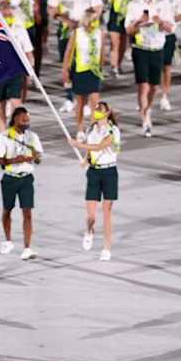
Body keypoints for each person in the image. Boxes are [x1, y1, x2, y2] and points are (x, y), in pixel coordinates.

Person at [47, 0, 102, 112]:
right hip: (66, 30)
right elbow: (51, 8)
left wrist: (87, 22)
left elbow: (97, 7)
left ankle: (83, 101)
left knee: (83, 64)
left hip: (85, 32)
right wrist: (62, 18)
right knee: (67, 63)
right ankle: (69, 98)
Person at [68, 100, 120, 261]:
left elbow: (99, 146)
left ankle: (106, 248)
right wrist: (86, 160)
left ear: (107, 113)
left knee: (106, 212)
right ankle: (89, 232)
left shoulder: (113, 130)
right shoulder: (91, 129)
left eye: (100, 109)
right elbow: (91, 149)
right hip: (94, 172)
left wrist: (78, 144)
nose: (96, 110)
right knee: (90, 215)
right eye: (96, 108)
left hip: (109, 172)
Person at [124, 0, 174, 136]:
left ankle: (148, 107)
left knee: (154, 86)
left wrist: (161, 23)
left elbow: (170, 28)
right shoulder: (133, 5)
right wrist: (139, 21)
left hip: (157, 48)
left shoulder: (163, 4)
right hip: (140, 48)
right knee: (143, 86)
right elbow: (128, 30)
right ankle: (145, 120)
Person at [0, 107, 43, 260]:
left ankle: (27, 248)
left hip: (27, 178)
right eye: (23, 120)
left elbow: (39, 158)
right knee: (7, 210)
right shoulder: (4, 137)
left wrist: (35, 157)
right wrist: (15, 160)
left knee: (27, 213)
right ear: (15, 119)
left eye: (27, 120)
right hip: (10, 178)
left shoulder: (32, 137)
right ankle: (8, 241)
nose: (26, 123)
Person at [62, 7, 105, 139]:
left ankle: (93, 131)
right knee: (80, 101)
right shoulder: (77, 33)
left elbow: (102, 52)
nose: (96, 21)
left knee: (94, 102)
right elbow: (69, 52)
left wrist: (100, 68)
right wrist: (65, 70)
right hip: (80, 71)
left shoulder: (100, 33)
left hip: (94, 71)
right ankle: (80, 129)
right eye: (94, 19)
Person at [0, 2, 34, 131]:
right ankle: (2, 133)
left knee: (16, 103)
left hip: (16, 72)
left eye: (10, 14)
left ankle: (14, 132)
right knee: (0, 104)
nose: (8, 17)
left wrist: (29, 72)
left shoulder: (20, 31)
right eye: (5, 15)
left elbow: (28, 53)